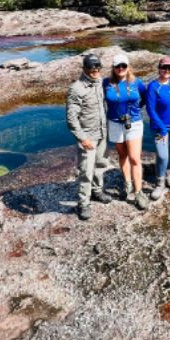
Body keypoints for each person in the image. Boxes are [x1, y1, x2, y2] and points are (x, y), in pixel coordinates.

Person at [65, 53, 112, 220]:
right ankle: (83, 203)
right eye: (92, 67)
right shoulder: (76, 88)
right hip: (88, 137)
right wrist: (82, 138)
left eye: (98, 67)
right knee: (86, 170)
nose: (95, 70)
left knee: (101, 164)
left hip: (102, 133)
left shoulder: (100, 82)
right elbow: (71, 119)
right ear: (84, 68)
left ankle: (97, 191)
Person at [103, 51, 149, 211]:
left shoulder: (137, 82)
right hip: (115, 123)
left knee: (135, 158)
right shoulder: (106, 83)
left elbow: (145, 97)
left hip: (134, 123)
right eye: (118, 66)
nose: (121, 68)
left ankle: (138, 193)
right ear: (113, 68)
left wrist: (136, 110)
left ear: (128, 66)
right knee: (122, 155)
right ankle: (127, 183)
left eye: (124, 65)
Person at [146, 55, 170, 201]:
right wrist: (161, 127)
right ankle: (159, 183)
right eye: (164, 67)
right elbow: (150, 109)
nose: (167, 70)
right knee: (163, 155)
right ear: (159, 69)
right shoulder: (153, 86)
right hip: (159, 128)